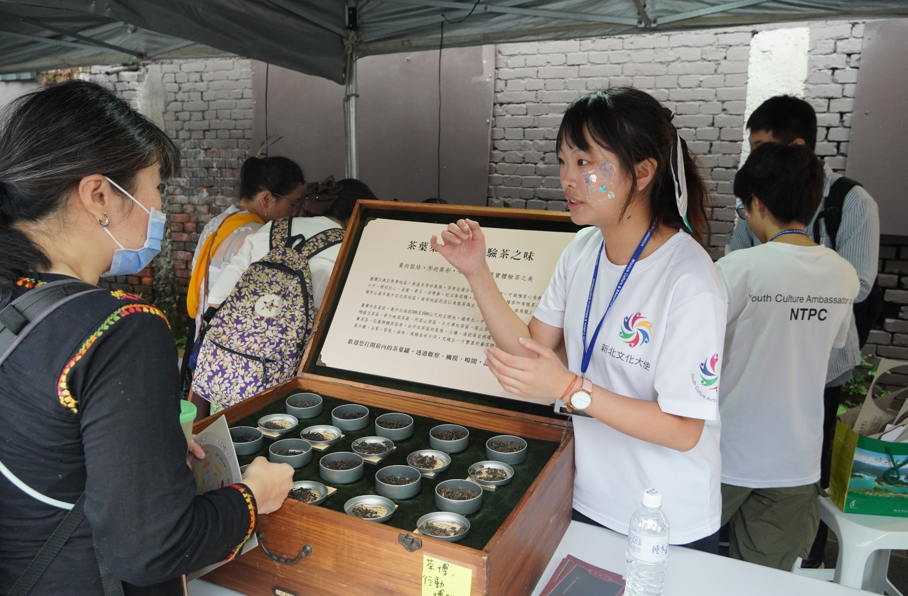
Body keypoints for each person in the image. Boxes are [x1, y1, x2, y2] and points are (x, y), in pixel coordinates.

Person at [0, 80, 294, 595]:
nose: (159, 206)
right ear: (99, 196)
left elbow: (41, 447)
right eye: (156, 187)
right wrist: (253, 496)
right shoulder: (122, 327)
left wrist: (141, 443)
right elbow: (153, 548)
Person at [431, 88, 727, 551]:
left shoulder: (690, 281)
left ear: (643, 172)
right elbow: (533, 348)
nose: (568, 180)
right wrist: (476, 270)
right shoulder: (583, 250)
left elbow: (684, 429)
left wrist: (569, 389)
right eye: (563, 162)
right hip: (585, 495)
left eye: (586, 163)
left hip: (664, 520)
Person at [729, 95, 880, 566]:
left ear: (754, 204)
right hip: (795, 454)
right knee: (767, 575)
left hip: (727, 448)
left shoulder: (734, 271)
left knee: (692, 560)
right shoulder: (838, 274)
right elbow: (837, 354)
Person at [182, 156, 304, 387]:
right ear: (267, 198)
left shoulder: (220, 220)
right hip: (228, 340)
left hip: (200, 324)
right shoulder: (259, 236)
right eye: (293, 204)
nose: (296, 214)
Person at [207, 176, 376, 312]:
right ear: (360, 217)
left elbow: (216, 299)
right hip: (303, 351)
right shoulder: (350, 250)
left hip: (241, 346)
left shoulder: (270, 228)